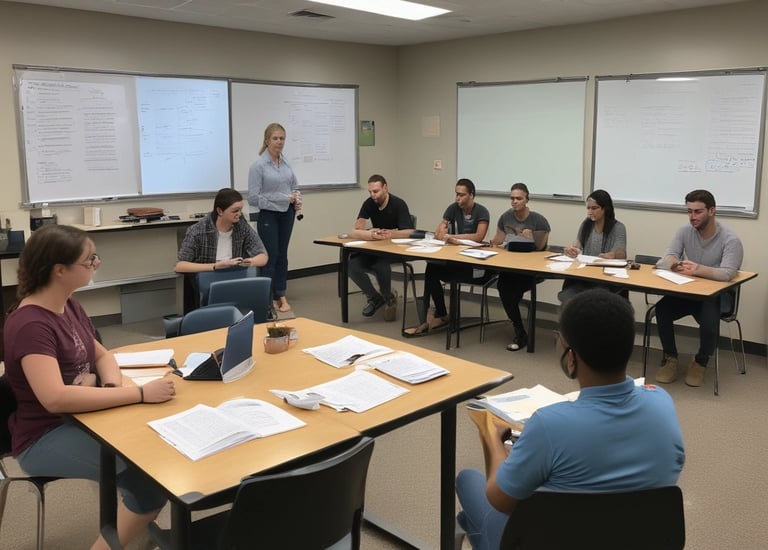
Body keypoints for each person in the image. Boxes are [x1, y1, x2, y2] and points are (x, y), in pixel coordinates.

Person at [455, 289, 685, 550]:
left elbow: (501, 500)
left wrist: (493, 439)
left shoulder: (548, 424)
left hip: (553, 539)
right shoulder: (661, 403)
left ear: (572, 358)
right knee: (471, 521)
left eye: (559, 340)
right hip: (641, 538)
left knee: (467, 480)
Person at [3, 224, 177, 550]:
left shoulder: (67, 303)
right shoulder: (30, 324)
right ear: (59, 270)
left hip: (84, 416)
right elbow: (55, 398)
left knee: (153, 457)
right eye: (89, 260)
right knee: (149, 485)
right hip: (44, 436)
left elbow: (101, 353)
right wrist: (137, 394)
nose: (96, 264)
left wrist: (107, 387)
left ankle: (134, 536)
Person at [653, 189, 744, 387]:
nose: (692, 217)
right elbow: (666, 258)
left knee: (710, 320)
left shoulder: (730, 240)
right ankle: (670, 358)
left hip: (714, 297)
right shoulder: (684, 231)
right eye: (689, 211)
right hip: (687, 292)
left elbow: (728, 273)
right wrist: (673, 263)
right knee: (662, 309)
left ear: (712, 211)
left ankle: (701, 361)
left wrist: (697, 269)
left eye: (697, 212)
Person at [403, 178, 490, 336]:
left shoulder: (482, 212)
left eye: (462, 195)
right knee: (431, 270)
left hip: (474, 265)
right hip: (455, 259)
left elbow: (478, 236)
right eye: (456, 194)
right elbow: (439, 233)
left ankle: (449, 319)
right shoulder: (453, 208)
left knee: (454, 275)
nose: (458, 198)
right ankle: (442, 314)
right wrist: (442, 229)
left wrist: (454, 238)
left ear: (472, 195)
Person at [176, 188, 268, 312]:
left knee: (259, 284)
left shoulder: (242, 227)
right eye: (235, 211)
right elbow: (180, 266)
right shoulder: (197, 231)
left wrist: (248, 262)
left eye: (240, 210)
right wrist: (216, 266)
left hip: (235, 273)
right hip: (210, 276)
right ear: (220, 211)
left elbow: (263, 256)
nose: (239, 214)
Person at [489, 183, 550, 351]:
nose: (514, 201)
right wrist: (492, 245)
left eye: (519, 198)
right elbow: (498, 240)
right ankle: (520, 330)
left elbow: (541, 250)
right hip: (510, 267)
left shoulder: (539, 220)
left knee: (508, 292)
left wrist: (530, 238)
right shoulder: (505, 217)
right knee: (504, 286)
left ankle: (519, 331)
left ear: (527, 200)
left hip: (529, 270)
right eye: (512, 198)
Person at [248, 122, 301, 313]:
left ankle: (281, 293)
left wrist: (296, 199)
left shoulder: (286, 163)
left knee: (283, 255)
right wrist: (281, 199)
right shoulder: (258, 166)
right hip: (268, 214)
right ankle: (267, 296)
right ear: (267, 140)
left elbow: (295, 187)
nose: (279, 142)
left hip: (287, 213)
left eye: (282, 138)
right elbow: (253, 198)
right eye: (275, 138)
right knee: (270, 256)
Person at [348, 174, 415, 320]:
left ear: (385, 188)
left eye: (376, 191)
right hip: (376, 248)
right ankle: (375, 297)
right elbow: (357, 228)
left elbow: (410, 232)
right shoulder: (369, 203)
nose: (373, 195)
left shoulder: (399, 204)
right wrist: (369, 233)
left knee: (380, 265)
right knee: (351, 264)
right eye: (370, 192)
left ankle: (388, 297)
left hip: (394, 250)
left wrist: (391, 234)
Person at [557, 189, 627, 303]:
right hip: (584, 277)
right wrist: (572, 250)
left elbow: (621, 253)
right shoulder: (586, 224)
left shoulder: (618, 227)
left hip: (605, 281)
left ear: (605, 209)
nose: (590, 212)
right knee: (569, 296)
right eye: (588, 208)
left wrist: (612, 255)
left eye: (594, 208)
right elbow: (577, 245)